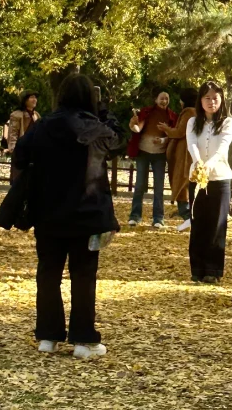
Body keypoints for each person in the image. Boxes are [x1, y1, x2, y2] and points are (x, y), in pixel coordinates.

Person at [13, 73, 125, 359]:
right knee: (84, 275)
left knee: (48, 273)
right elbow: (117, 142)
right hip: (88, 213)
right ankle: (82, 339)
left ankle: (48, 336)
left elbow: (21, 156)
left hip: (48, 210)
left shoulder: (43, 125)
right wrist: (105, 115)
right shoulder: (95, 127)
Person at [186, 80, 232, 284]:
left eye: (215, 97)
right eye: (207, 97)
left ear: (221, 99)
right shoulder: (192, 122)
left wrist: (209, 165)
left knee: (216, 225)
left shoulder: (227, 123)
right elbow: (192, 144)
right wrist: (198, 164)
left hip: (219, 178)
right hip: (197, 178)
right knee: (198, 224)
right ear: (200, 100)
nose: (211, 101)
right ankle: (197, 268)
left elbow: (223, 147)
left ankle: (213, 270)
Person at [126, 87, 177, 229]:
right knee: (139, 184)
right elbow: (137, 128)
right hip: (143, 152)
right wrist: (132, 124)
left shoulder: (172, 116)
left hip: (160, 155)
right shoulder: (147, 112)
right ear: (156, 100)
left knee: (159, 187)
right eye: (162, 98)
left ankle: (158, 218)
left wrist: (162, 139)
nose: (164, 100)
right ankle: (135, 216)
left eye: (167, 98)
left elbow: (174, 136)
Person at [164, 87, 198, 231]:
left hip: (184, 151)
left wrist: (166, 128)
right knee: (184, 180)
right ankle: (185, 211)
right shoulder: (195, 112)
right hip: (185, 150)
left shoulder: (189, 112)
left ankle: (186, 214)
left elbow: (179, 132)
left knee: (182, 179)